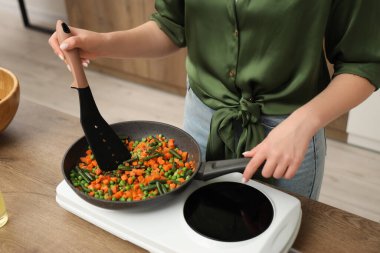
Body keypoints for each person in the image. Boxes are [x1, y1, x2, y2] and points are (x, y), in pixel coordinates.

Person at [49, 0, 380, 200]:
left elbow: (364, 62)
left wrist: (301, 125)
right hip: (200, 121)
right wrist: (101, 42)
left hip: (289, 134)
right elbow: (172, 25)